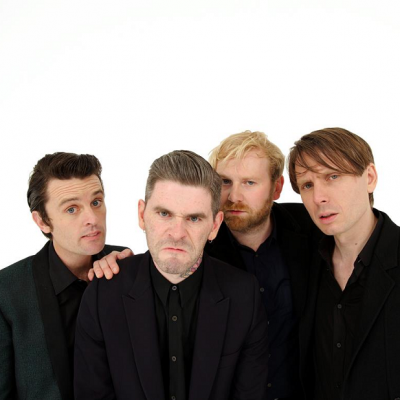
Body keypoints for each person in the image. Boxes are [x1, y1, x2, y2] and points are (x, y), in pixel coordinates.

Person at [91, 131, 316, 400]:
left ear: (277, 188)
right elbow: (162, 256)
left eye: (249, 182)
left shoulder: (309, 227)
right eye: (225, 182)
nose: (234, 196)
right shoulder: (196, 246)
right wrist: (109, 257)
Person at [74, 150, 269, 400]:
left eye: (194, 218)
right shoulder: (103, 294)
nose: (177, 233)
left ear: (215, 225)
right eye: (164, 214)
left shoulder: (244, 295)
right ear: (142, 215)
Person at [0, 152, 126, 400]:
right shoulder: (7, 292)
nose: (92, 219)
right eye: (71, 209)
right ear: (42, 222)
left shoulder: (126, 266)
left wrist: (137, 273)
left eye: (96, 202)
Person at [288, 127, 400, 400]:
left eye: (333, 176)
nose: (318, 197)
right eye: (307, 185)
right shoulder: (306, 260)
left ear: (369, 178)